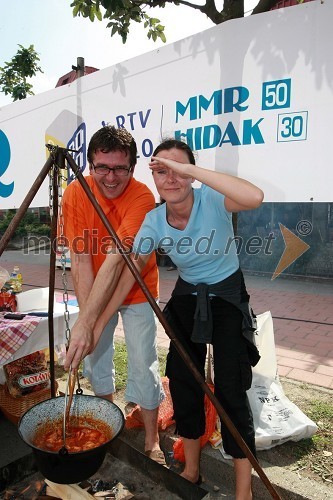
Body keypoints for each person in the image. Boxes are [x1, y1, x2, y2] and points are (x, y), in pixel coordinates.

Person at [65, 138, 264, 499]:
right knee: (183, 377)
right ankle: (190, 470)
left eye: (178, 171)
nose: (169, 179)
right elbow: (130, 270)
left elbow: (254, 197)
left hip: (227, 293)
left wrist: (187, 169)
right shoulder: (154, 220)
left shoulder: (214, 199)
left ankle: (243, 490)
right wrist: (95, 324)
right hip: (189, 294)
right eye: (161, 171)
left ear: (190, 174)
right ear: (152, 176)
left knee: (232, 390)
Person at [61, 125, 165, 464]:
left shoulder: (142, 197)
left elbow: (119, 259)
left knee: (143, 363)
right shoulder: (75, 193)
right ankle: (108, 425)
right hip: (95, 288)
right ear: (90, 164)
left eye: (119, 168)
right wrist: (86, 323)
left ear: (132, 168)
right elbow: (80, 260)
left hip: (137, 289)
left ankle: (152, 441)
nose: (110, 176)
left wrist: (91, 322)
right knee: (94, 362)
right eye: (101, 167)